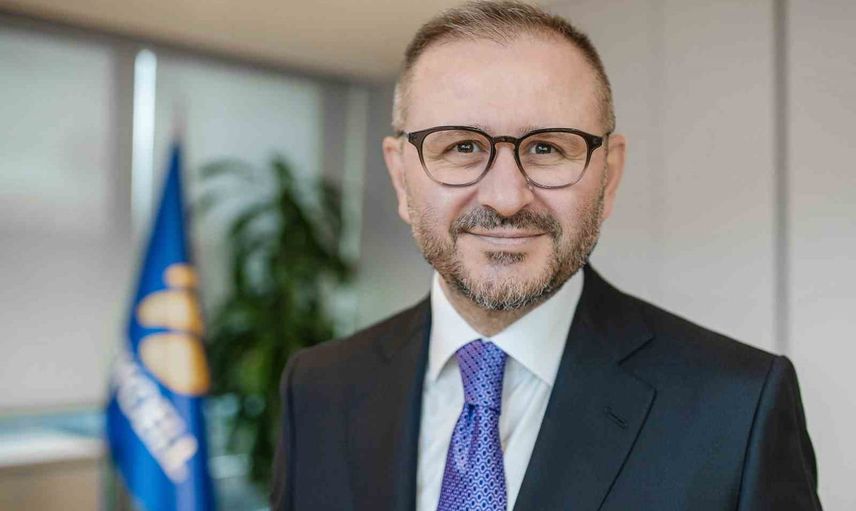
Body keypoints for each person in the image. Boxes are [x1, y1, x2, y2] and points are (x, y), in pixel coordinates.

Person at [271, 1, 821, 509]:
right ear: (399, 176)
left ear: (608, 176)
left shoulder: (739, 407)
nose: (506, 198)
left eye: (546, 148)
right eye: (462, 147)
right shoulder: (319, 388)